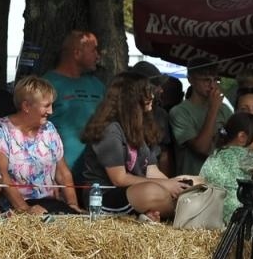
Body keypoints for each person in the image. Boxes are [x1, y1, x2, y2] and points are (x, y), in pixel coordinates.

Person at [74, 72, 194, 219]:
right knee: (153, 192)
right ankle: (184, 210)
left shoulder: (136, 126)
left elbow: (151, 170)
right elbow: (119, 179)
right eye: (147, 91)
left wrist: (171, 184)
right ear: (131, 97)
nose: (154, 95)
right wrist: (166, 186)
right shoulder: (110, 129)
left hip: (135, 190)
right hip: (105, 196)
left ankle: (173, 207)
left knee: (195, 181)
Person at [0, 75, 83, 216]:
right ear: (26, 106)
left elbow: (63, 173)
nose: (51, 111)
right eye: (46, 106)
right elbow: (2, 176)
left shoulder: (49, 129)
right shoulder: (0, 130)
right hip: (14, 205)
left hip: (48, 203)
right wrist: (26, 210)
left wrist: (73, 205)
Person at [42, 30, 104, 172]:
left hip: (95, 172)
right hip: (59, 171)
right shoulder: (47, 84)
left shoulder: (97, 85)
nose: (98, 56)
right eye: (94, 50)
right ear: (77, 53)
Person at [170, 63, 231, 177]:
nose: (212, 85)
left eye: (215, 80)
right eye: (206, 80)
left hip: (222, 179)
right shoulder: (180, 112)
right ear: (191, 80)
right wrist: (213, 110)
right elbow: (202, 148)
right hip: (194, 182)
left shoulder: (224, 110)